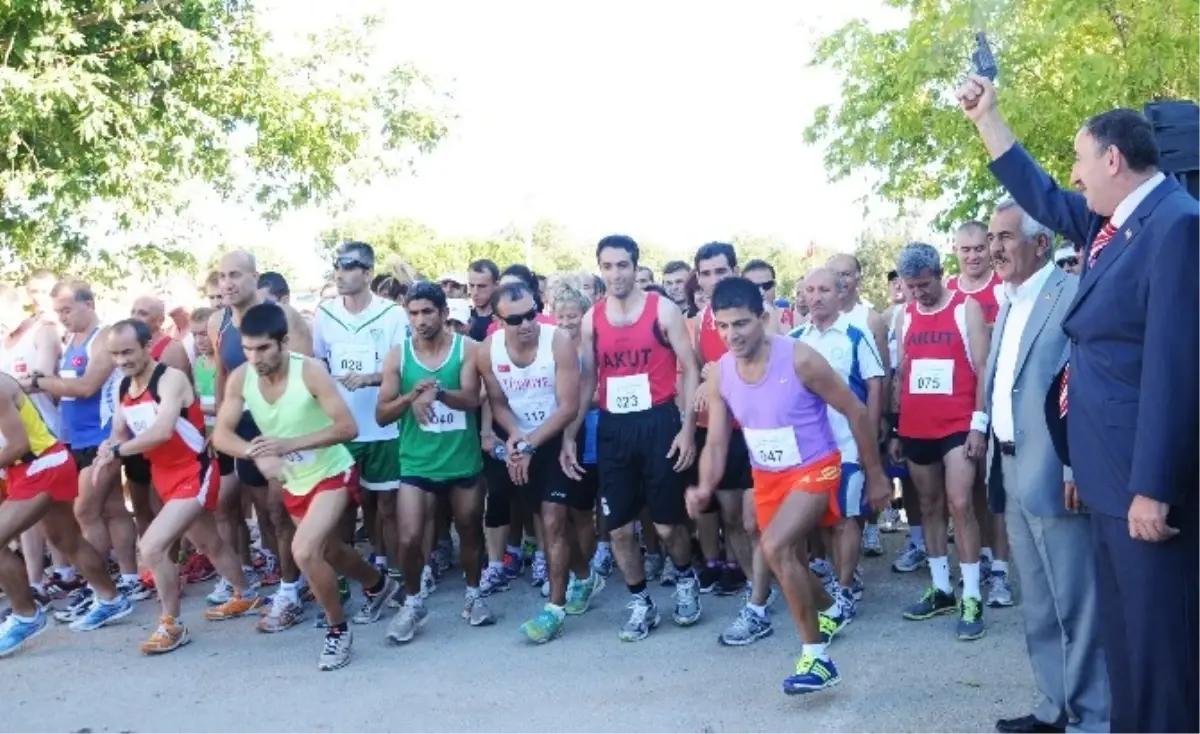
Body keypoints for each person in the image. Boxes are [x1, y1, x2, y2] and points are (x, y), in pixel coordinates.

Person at [960, 72, 1200, 733]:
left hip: (1139, 487)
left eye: (1080, 159)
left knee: (1159, 648)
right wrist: (990, 119)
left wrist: (1153, 487)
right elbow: (1038, 192)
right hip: (1107, 480)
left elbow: (1174, 372)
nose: (1075, 174)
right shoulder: (1113, 223)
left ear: (1113, 160)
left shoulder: (1175, 227)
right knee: (1126, 645)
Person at [686, 277, 887, 694]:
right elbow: (719, 440)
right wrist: (705, 484)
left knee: (774, 548)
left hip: (817, 467)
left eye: (740, 324)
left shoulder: (800, 359)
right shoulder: (721, 373)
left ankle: (817, 659)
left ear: (763, 318)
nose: (731, 335)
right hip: (769, 476)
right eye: (722, 326)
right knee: (785, 558)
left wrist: (876, 474)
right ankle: (831, 610)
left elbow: (856, 409)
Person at [213, 303, 397, 670]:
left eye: (263, 348)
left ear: (283, 343)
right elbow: (220, 435)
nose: (255, 357)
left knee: (304, 549)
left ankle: (337, 631)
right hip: (294, 480)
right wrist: (255, 452)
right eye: (248, 349)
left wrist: (287, 445)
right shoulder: (240, 378)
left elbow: (348, 429)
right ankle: (378, 584)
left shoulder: (310, 372)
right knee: (328, 550)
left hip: (332, 471)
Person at [983, 198, 1109, 733]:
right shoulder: (1008, 301)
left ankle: (1094, 718)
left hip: (1056, 472)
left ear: (1040, 243)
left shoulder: (1070, 294)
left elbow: (1084, 389)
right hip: (1010, 471)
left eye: (1006, 238)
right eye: (992, 239)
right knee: (1037, 602)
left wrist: (1075, 466)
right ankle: (1053, 709)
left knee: (1077, 606)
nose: (995, 249)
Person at [563, 234, 701, 642]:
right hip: (613, 425)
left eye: (622, 265)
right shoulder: (593, 319)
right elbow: (588, 379)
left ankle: (684, 578)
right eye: (607, 266)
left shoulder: (664, 310)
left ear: (636, 267)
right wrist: (571, 433)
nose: (615, 274)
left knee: (667, 525)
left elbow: (691, 369)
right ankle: (641, 602)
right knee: (619, 528)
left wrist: (688, 428)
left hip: (658, 421)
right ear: (600, 269)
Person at [96, 319, 258, 654]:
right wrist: (107, 449)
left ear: (146, 346)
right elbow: (118, 431)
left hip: (193, 472)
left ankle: (171, 624)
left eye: (128, 351)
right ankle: (247, 594)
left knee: (153, 546)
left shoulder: (171, 379)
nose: (122, 360)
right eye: (115, 354)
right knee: (209, 542)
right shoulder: (122, 386)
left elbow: (162, 430)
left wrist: (117, 451)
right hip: (164, 475)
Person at [478, 281, 602, 643]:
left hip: (559, 437)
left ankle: (554, 609)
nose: (527, 324)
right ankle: (583, 576)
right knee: (550, 530)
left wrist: (529, 445)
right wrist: (514, 435)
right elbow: (497, 401)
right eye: (515, 319)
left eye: (532, 313)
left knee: (554, 520)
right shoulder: (488, 352)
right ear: (499, 320)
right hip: (523, 439)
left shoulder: (557, 342)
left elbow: (568, 406)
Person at [376, 282, 490, 642]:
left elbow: (472, 399)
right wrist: (412, 396)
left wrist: (438, 392)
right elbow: (381, 414)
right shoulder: (398, 355)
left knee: (470, 530)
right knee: (409, 539)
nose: (420, 320)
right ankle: (412, 603)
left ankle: (473, 594)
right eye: (413, 313)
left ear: (443, 314)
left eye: (428, 312)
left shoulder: (467, 349)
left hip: (462, 461)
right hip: (417, 463)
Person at [891, 242, 991, 641]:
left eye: (924, 284)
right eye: (911, 287)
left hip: (957, 424)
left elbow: (983, 369)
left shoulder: (965, 308)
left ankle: (971, 595)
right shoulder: (905, 314)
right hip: (917, 425)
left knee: (961, 503)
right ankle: (942, 588)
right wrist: (896, 428)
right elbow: (901, 374)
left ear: (938, 272)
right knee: (929, 506)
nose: (918, 293)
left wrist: (978, 425)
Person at [33, 281, 147, 618]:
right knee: (111, 507)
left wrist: (39, 383)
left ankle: (97, 585)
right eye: (58, 312)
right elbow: (66, 389)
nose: (63, 317)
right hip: (76, 437)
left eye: (67, 309)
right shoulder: (71, 341)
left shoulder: (104, 337)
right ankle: (128, 578)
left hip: (103, 436)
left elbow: (86, 386)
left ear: (89, 303)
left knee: (85, 511)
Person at [0, 369, 133, 657]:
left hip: (41, 465)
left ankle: (26, 616)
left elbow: (18, 444)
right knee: (67, 541)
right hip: (32, 466)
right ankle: (111, 600)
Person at [312, 242, 408, 630]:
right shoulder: (324, 314)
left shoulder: (392, 314)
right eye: (337, 265)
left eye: (350, 266)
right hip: (341, 427)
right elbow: (318, 363)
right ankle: (343, 587)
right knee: (339, 511)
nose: (341, 272)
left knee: (386, 506)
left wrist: (372, 377)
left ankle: (389, 576)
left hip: (382, 425)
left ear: (368, 272)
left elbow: (402, 364)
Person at [792, 268, 887, 619]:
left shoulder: (855, 334)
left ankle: (844, 591)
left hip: (847, 443)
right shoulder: (795, 338)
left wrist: (871, 437)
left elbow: (875, 384)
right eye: (810, 289)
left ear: (840, 293)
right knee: (823, 520)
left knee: (846, 519)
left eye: (824, 290)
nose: (816, 297)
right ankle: (844, 576)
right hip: (809, 449)